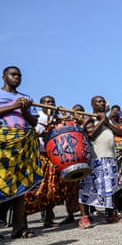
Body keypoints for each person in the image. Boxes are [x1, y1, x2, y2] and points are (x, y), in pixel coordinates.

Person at [0, 66, 43, 238]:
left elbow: (33, 123)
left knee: (20, 186)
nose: (17, 77)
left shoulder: (26, 98)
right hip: (4, 142)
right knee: (1, 182)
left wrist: (24, 109)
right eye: (13, 74)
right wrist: (13, 106)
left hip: (23, 143)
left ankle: (19, 227)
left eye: (19, 75)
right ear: (4, 76)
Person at [77, 96, 122, 229]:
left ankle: (111, 214)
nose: (102, 103)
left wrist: (107, 122)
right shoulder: (88, 118)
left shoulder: (107, 120)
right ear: (92, 104)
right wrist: (102, 120)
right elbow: (91, 135)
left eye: (103, 101)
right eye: (98, 101)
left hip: (110, 159)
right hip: (95, 160)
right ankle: (85, 218)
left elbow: (121, 133)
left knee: (111, 189)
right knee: (87, 189)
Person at [24, 95, 65, 228]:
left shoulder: (58, 118)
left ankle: (48, 218)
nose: (50, 104)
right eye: (47, 102)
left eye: (52, 101)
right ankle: (22, 221)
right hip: (38, 156)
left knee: (52, 189)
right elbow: (34, 133)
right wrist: (48, 125)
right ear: (41, 104)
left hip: (53, 157)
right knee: (35, 189)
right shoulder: (37, 116)